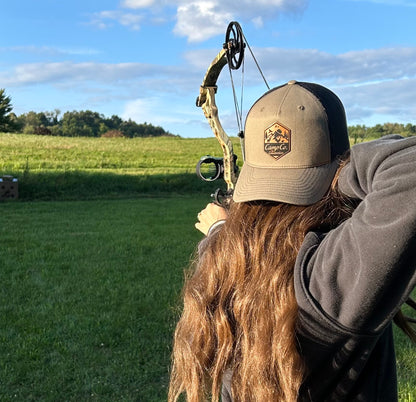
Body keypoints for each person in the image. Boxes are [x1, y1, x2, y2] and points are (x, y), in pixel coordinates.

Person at [169, 80, 416, 401]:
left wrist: (220, 231)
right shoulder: (327, 280)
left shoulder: (220, 265)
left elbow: (226, 244)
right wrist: (341, 168)